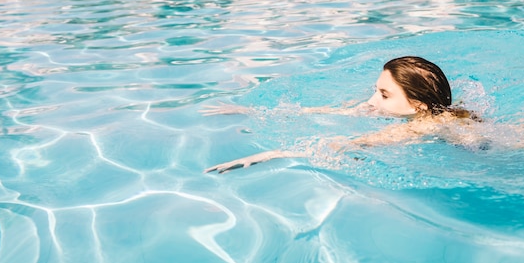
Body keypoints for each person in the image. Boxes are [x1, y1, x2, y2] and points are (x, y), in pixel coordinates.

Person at [201, 56, 480, 174]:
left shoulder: (421, 128)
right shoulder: (427, 111)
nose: (371, 101)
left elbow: (345, 145)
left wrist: (267, 156)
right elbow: (339, 112)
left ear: (418, 106)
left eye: (383, 95)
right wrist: (250, 110)